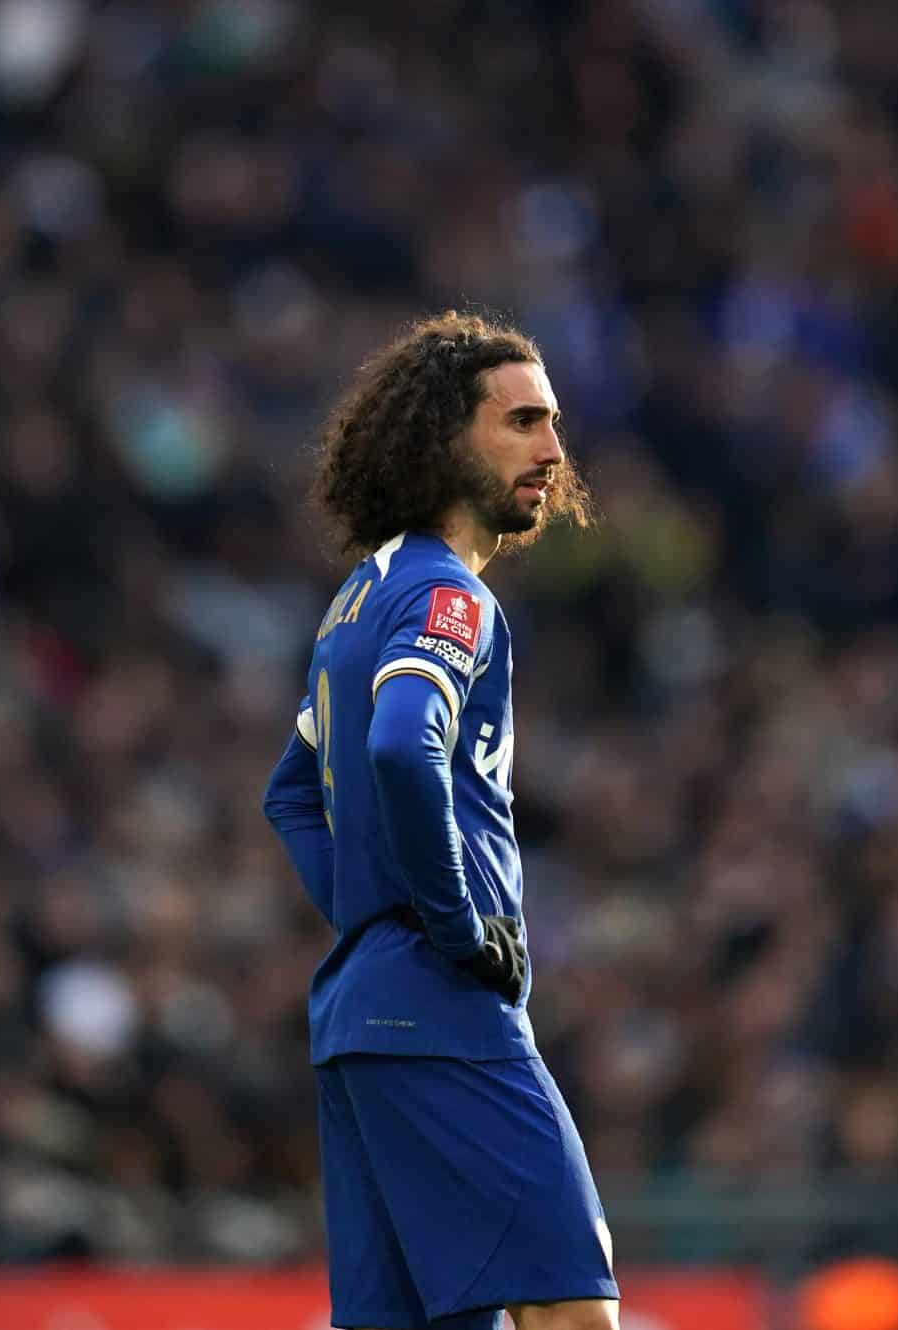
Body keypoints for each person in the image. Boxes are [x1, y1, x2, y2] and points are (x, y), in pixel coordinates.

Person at [261, 311, 615, 1330]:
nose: (552, 448)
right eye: (521, 422)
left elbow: (289, 791)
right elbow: (398, 746)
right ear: (441, 440)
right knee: (568, 1312)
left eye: (552, 423)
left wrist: (367, 919)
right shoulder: (447, 596)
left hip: (362, 1019)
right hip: (442, 1006)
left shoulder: (353, 603)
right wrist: (454, 930)